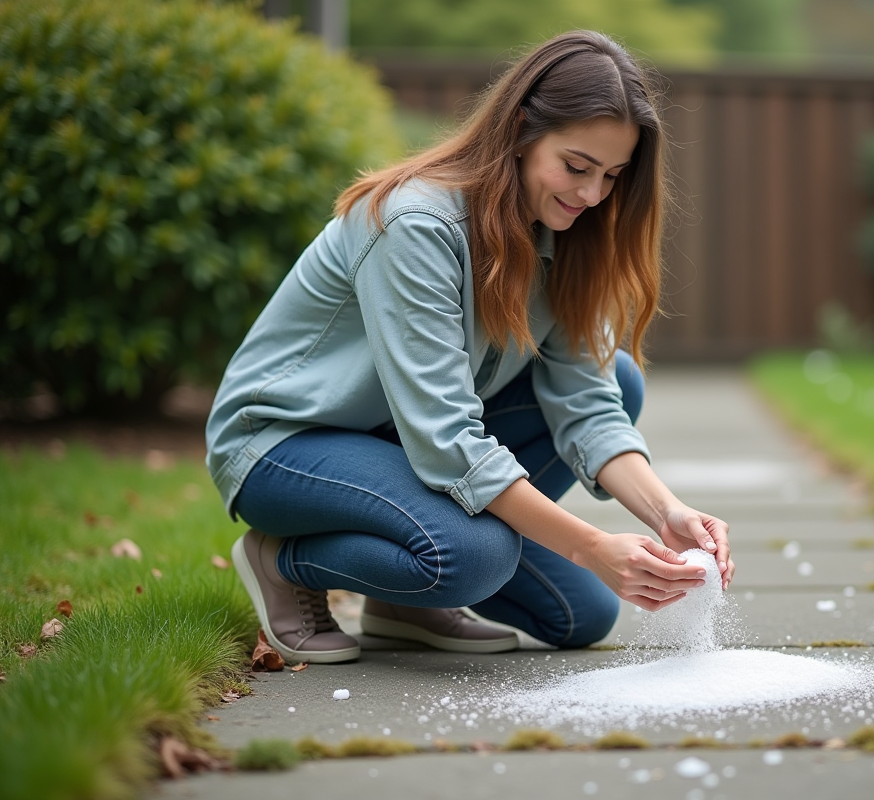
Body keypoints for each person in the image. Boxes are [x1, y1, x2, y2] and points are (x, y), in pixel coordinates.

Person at [205, 30, 735, 665]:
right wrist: (592, 546)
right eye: (576, 166)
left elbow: (590, 407)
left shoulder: (569, 233)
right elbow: (448, 436)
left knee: (580, 612)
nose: (593, 196)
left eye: (612, 176)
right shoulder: (416, 224)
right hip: (284, 444)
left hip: (402, 442)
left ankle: (404, 601)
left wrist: (668, 513)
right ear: (518, 131)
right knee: (474, 554)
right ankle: (282, 560)